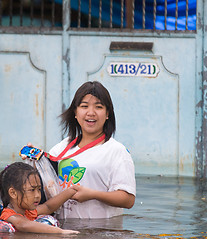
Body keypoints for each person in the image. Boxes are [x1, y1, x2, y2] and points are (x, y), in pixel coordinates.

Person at [26, 81, 136, 219]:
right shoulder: (60, 149)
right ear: (75, 113)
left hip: (101, 231)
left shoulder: (116, 151)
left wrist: (93, 195)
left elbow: (128, 199)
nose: (91, 113)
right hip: (62, 230)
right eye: (84, 106)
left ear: (107, 113)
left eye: (99, 107)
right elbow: (45, 191)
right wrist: (36, 161)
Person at [0, 162, 79, 234]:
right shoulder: (9, 215)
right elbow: (23, 225)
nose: (37, 195)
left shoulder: (28, 212)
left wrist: (70, 191)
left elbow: (48, 207)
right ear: (13, 193)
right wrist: (61, 232)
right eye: (32, 190)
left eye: (39, 189)